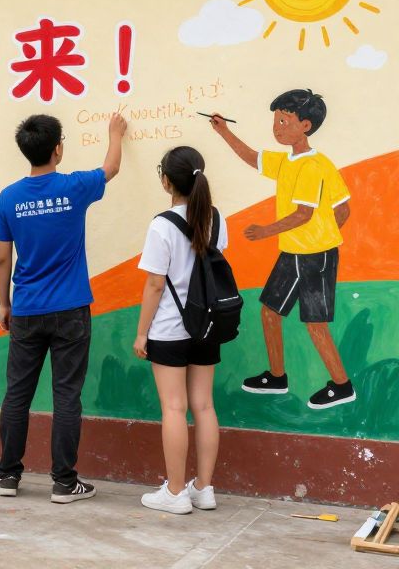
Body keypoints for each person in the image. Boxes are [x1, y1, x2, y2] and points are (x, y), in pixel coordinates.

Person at [0, 112, 126, 501]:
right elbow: (111, 167)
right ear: (57, 149)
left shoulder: (9, 197)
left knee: (17, 393)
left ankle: (8, 477)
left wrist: (4, 303)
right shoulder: (75, 187)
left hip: (26, 309)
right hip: (70, 309)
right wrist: (115, 133)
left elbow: (3, 258)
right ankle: (65, 483)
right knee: (67, 395)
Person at [210, 89, 353, 409]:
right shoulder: (287, 161)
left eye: (284, 120)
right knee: (270, 312)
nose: (277, 126)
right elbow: (252, 157)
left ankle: (342, 385)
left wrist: (267, 232)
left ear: (305, 125)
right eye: (276, 120)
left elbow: (306, 214)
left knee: (315, 323)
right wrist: (223, 131)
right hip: (293, 252)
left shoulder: (314, 166)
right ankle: (277, 376)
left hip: (316, 256)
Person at [134, 146, 224, 515]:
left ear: (166, 181)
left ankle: (174, 492)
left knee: (174, 407)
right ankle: (203, 488)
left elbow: (156, 285)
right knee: (203, 406)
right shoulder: (216, 219)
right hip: (207, 327)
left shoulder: (162, 225)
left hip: (170, 328)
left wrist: (142, 334)